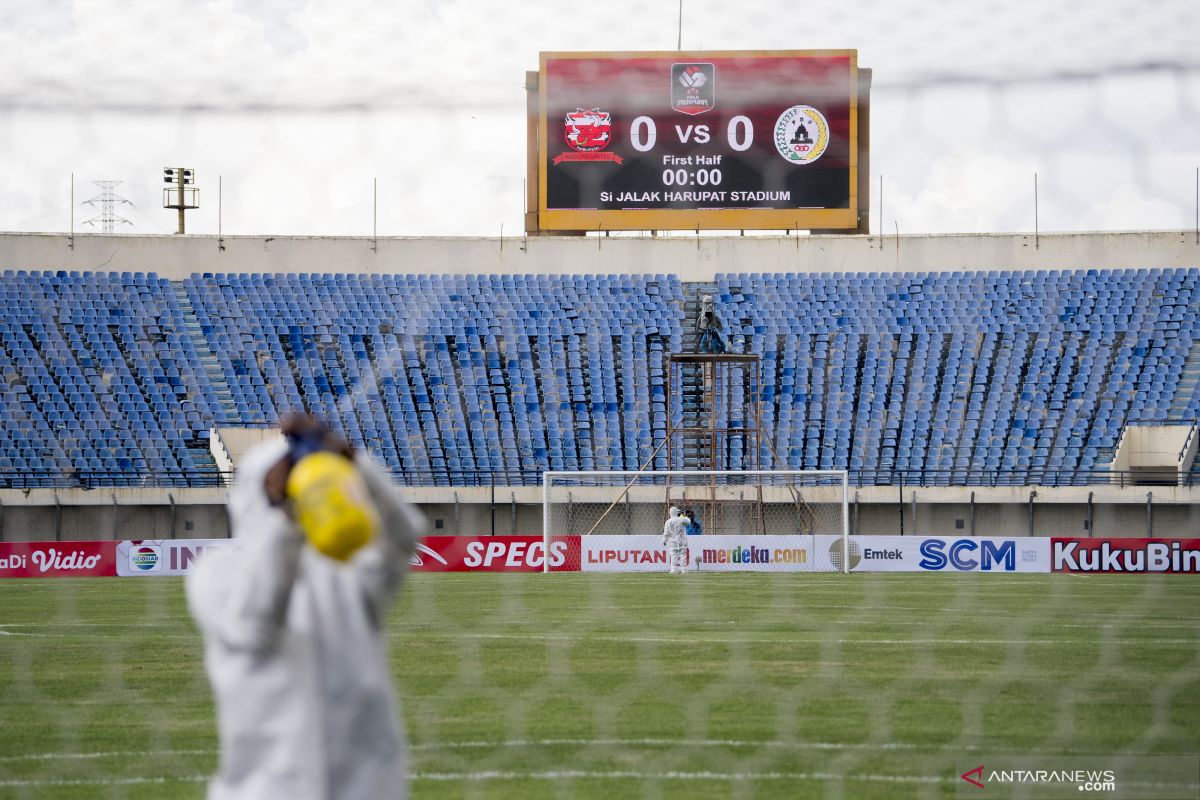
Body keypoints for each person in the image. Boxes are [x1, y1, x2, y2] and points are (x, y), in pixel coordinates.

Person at [186, 414, 426, 800]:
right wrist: (288, 520)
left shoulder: (344, 573)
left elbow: (404, 538)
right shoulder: (214, 573)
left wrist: (356, 467)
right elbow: (256, 625)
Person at [663, 505, 690, 574]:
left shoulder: (668, 522)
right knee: (683, 555)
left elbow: (666, 533)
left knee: (673, 555)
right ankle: (683, 569)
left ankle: (673, 569)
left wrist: (664, 540)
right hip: (682, 540)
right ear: (676, 512)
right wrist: (684, 516)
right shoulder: (681, 519)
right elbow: (688, 522)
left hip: (672, 542)